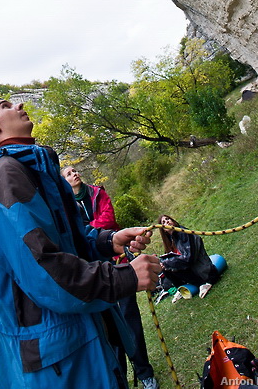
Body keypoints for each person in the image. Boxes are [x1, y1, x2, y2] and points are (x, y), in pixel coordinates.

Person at [0, 98, 162, 389]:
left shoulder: (30, 169)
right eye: (6, 106)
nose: (18, 104)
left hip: (69, 339)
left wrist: (108, 242)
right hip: (54, 357)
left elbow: (66, 240)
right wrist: (125, 277)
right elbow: (45, 270)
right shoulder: (5, 176)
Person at [62, 165, 159, 389]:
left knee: (130, 318)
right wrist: (89, 233)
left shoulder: (98, 193)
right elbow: (78, 234)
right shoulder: (67, 208)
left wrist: (89, 231)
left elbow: (108, 218)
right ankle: (120, 377)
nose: (74, 174)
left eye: (75, 171)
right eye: (68, 174)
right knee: (109, 327)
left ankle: (145, 373)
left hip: (118, 263)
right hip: (95, 272)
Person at [157, 214, 220, 301]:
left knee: (167, 264)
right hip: (191, 270)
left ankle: (203, 283)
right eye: (163, 222)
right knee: (164, 266)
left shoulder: (184, 233)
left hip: (203, 271)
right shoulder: (171, 240)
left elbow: (188, 259)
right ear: (164, 230)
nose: (167, 221)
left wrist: (167, 263)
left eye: (168, 219)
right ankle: (180, 287)